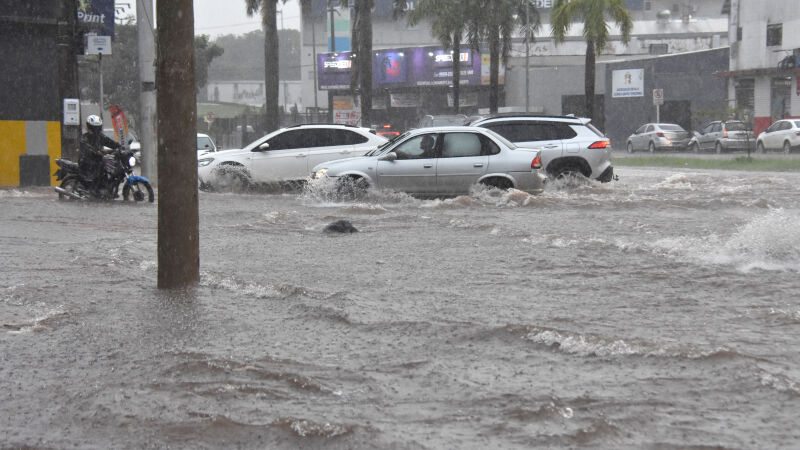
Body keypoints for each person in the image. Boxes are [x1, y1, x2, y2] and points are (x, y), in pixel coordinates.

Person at [79, 115, 121, 194]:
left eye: (97, 128)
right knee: (101, 166)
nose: (96, 130)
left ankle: (106, 187)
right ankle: (95, 190)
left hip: (97, 159)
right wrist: (97, 152)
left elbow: (110, 142)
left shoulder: (100, 137)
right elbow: (88, 149)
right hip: (86, 161)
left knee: (110, 165)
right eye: (94, 128)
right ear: (89, 127)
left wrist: (120, 146)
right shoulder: (84, 138)